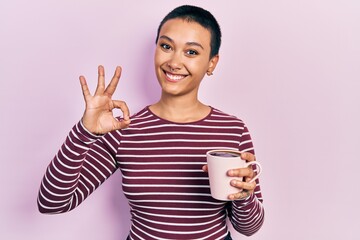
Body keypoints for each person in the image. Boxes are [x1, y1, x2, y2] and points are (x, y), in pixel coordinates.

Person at [37, 5, 265, 240]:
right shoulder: (124, 129)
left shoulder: (232, 129)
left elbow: (249, 228)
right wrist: (84, 133)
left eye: (191, 52)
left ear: (211, 63)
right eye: (166, 46)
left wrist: (245, 196)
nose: (174, 62)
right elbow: (52, 202)